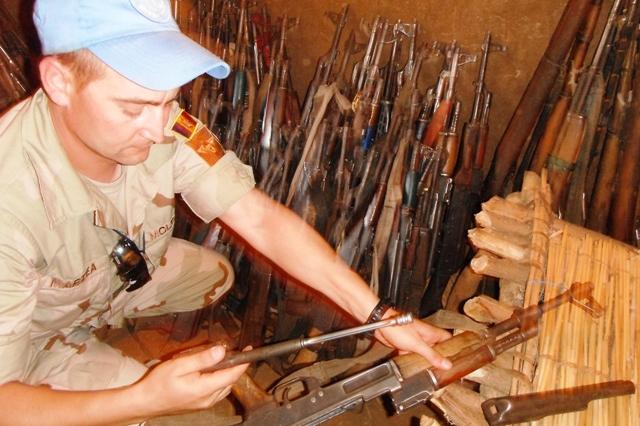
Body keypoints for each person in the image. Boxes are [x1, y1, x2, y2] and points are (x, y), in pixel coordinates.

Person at [0, 0, 452, 424]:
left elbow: (259, 218)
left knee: (215, 274)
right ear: (59, 82)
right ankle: (88, 363)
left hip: (100, 282)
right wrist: (147, 397)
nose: (159, 130)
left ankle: (105, 324)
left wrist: (378, 316)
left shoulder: (164, 122)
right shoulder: (9, 205)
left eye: (168, 100)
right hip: (31, 344)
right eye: (134, 108)